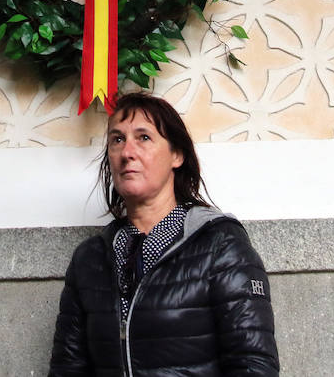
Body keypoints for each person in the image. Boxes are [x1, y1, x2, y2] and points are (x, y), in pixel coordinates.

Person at [49, 91, 279, 376]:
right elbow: (67, 368)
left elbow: (253, 365)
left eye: (144, 137)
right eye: (117, 139)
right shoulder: (90, 258)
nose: (127, 152)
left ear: (177, 155)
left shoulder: (220, 246)